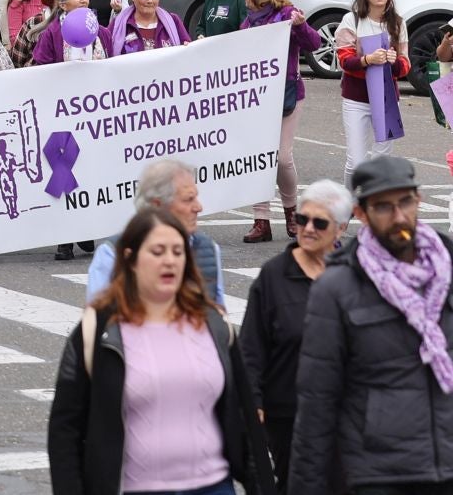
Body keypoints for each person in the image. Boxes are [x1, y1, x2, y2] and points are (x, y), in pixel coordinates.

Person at [47, 208, 274, 495]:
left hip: (213, 487)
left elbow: (246, 421)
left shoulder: (214, 322)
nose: (169, 261)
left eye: (178, 252)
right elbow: (65, 430)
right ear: (130, 259)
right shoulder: (100, 328)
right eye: (157, 251)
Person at [291, 155, 453, 494]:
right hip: (381, 474)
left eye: (405, 202)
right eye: (383, 207)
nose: (398, 217)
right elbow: (316, 403)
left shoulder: (447, 271)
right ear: (361, 214)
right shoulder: (336, 289)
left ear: (418, 200)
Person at [239, 179, 351, 491]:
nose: (308, 228)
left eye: (320, 222)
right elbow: (251, 349)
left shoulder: (354, 274)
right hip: (288, 418)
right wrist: (253, 405)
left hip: (347, 414)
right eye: (302, 219)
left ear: (341, 229)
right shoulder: (274, 275)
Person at [239, 0, 320, 245]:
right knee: (259, 159)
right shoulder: (249, 22)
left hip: (287, 94)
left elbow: (313, 43)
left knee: (282, 158)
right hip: (258, 98)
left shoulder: (287, 15)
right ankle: (261, 220)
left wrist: (300, 25)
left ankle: (291, 213)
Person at [85, 159, 227, 310]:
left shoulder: (209, 250)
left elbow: (218, 320)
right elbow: (96, 322)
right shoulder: (112, 255)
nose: (198, 207)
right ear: (157, 206)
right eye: (188, 199)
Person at [335, 0, 409, 186]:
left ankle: (373, 208)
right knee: (355, 162)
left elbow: (405, 65)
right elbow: (344, 61)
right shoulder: (352, 20)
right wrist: (367, 60)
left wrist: (394, 61)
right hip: (356, 98)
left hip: (387, 98)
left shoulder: (397, 23)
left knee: (381, 160)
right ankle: (348, 204)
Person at [108, 0, 190, 55]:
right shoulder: (118, 24)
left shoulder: (174, 21)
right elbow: (106, 54)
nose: (150, 0)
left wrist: (188, 47)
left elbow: (187, 52)